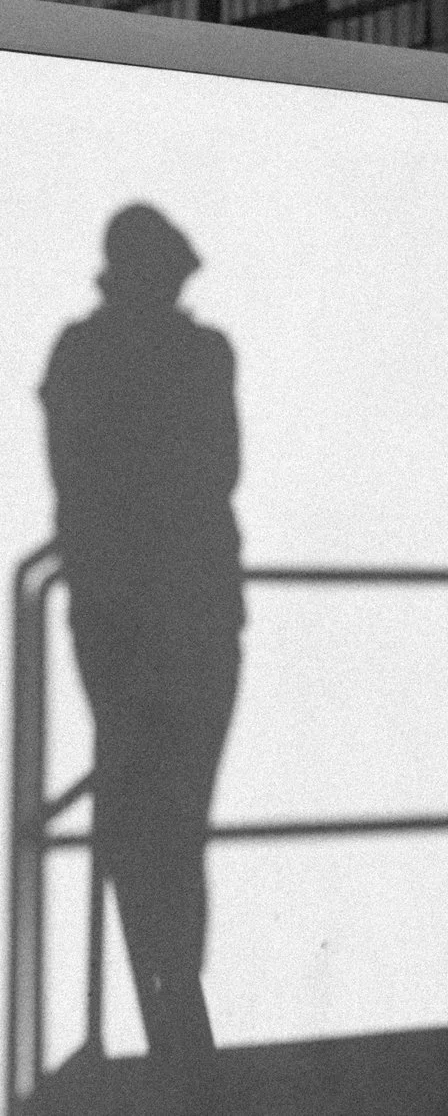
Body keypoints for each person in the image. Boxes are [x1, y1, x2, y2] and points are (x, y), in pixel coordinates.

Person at [40, 205, 243, 1084]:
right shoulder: (201, 356)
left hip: (122, 614)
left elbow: (80, 475)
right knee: (171, 817)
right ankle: (177, 1013)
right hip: (188, 612)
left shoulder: (81, 356)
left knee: (139, 815)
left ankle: (170, 1008)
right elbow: (216, 469)